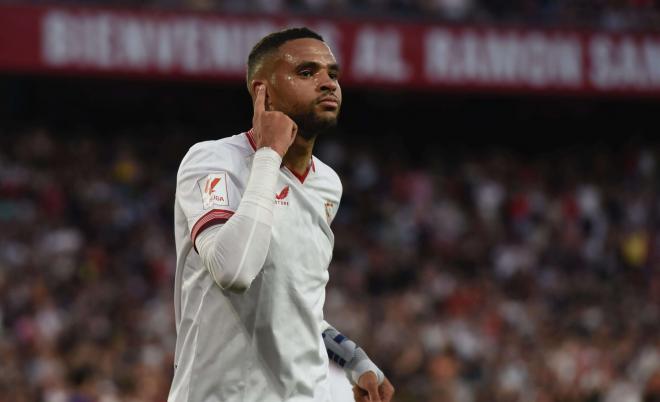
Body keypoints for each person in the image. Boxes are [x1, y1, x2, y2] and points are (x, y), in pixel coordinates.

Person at [168, 27, 395, 402]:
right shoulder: (212, 161)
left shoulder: (327, 184)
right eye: (306, 73)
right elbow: (234, 270)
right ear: (263, 91)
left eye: (332, 74)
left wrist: (354, 359)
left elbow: (293, 305)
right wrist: (269, 155)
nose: (327, 83)